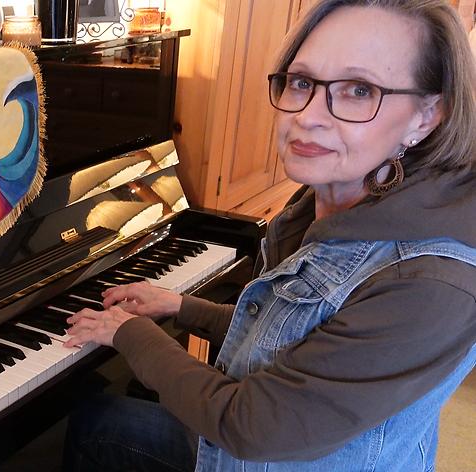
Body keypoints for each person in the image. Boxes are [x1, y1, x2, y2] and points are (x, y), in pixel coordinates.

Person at [60, 0, 476, 471]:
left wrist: (132, 334)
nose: (309, 115)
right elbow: (293, 334)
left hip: (262, 447)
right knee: (96, 420)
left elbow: (251, 427)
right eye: (302, 82)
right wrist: (181, 307)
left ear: (427, 116)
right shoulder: (329, 197)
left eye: (359, 90)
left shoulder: (432, 282)